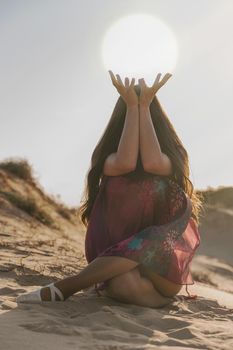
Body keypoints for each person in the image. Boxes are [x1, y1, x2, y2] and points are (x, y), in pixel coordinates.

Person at [16, 71, 202, 307]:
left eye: (143, 110)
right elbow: (125, 163)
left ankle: (66, 287)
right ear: (123, 116)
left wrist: (143, 106)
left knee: (148, 241)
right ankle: (156, 301)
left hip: (161, 264)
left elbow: (153, 163)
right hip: (117, 262)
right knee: (125, 285)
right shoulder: (108, 158)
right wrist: (133, 108)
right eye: (131, 110)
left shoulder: (170, 157)